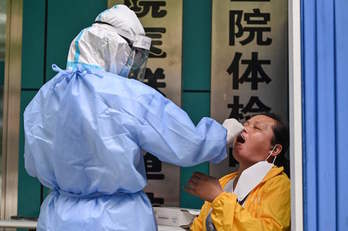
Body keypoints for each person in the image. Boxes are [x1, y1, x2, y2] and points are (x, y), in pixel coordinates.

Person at [23, 5, 244, 231]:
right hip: (117, 220)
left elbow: (32, 164)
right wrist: (223, 134)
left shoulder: (45, 96)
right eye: (133, 56)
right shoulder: (129, 95)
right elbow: (187, 142)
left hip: (58, 218)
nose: (132, 64)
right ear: (117, 48)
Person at [186, 113, 290, 231]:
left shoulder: (280, 185)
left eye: (256, 128)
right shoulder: (224, 182)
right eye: (245, 124)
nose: (243, 128)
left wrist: (218, 198)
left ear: (275, 149)